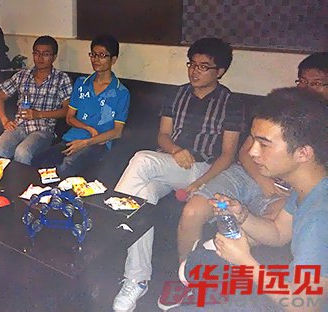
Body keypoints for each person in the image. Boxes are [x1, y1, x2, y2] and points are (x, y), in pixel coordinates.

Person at [176, 51, 328, 298]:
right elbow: (279, 232)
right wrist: (243, 215)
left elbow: (303, 303)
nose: (252, 152)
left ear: (303, 153)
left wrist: (246, 263)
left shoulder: (320, 217)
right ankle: (191, 283)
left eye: (264, 144)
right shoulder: (306, 190)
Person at [112, 37, 244, 312]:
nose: (195, 71)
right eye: (192, 64)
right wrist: (175, 150)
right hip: (171, 162)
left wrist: (199, 183)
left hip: (203, 168)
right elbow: (163, 135)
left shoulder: (231, 103)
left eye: (203, 67)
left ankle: (115, 218)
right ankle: (137, 279)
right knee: (143, 194)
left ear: (219, 71)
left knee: (142, 159)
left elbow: (228, 154)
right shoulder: (177, 94)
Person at [31, 34, 130, 177]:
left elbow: (117, 131)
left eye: (102, 55)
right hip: (71, 139)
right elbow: (69, 118)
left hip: (97, 144)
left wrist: (86, 142)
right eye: (93, 55)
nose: (96, 59)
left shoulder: (121, 92)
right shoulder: (81, 83)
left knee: (67, 165)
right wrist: (88, 128)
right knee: (38, 161)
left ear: (113, 59)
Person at [0, 35, 72, 165]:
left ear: (54, 57)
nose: (40, 57)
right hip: (19, 126)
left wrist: (39, 114)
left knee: (22, 152)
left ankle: (23, 179)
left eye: (45, 54)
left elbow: (67, 110)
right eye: (37, 53)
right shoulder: (22, 75)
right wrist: (5, 121)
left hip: (43, 130)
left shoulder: (61, 79)